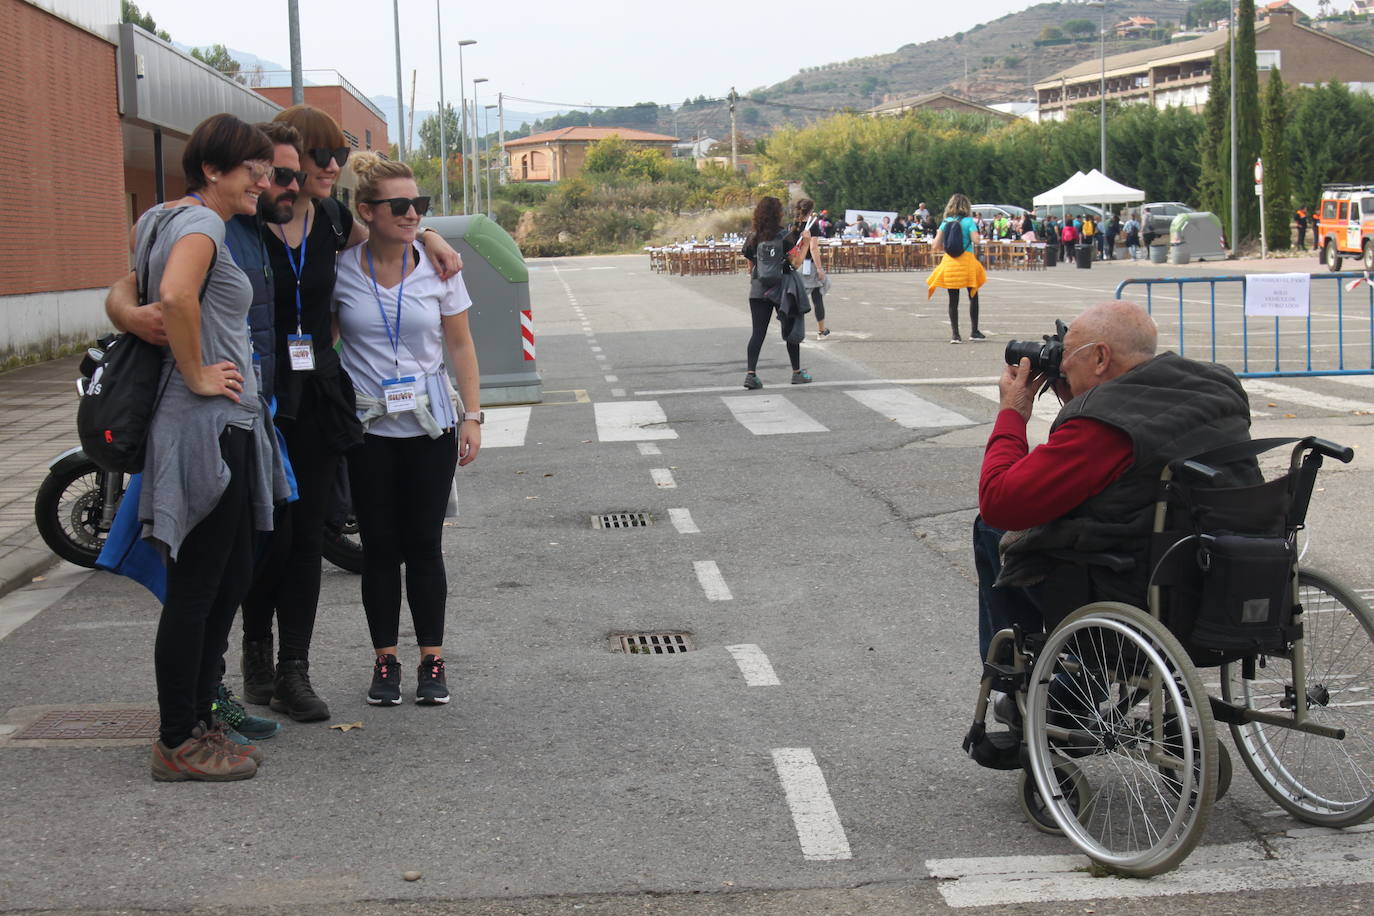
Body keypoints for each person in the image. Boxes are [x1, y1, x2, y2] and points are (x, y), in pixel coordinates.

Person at [238, 105, 461, 723]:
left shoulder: (334, 219)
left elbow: (397, 234)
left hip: (316, 399)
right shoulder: (250, 218)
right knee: (265, 535)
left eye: (338, 155)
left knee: (308, 537)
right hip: (256, 394)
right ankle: (256, 654)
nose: (332, 166)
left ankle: (294, 670)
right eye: (319, 157)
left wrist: (434, 235)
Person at [116, 114, 290, 780]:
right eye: (253, 169)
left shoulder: (158, 218)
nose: (263, 180)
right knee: (199, 587)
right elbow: (174, 295)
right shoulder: (203, 225)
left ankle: (196, 717)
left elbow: (128, 291)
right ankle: (175, 740)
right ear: (214, 170)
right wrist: (195, 372)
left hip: (219, 424)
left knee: (229, 574)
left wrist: (129, 314)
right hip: (206, 426)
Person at [973, 300, 1253, 662]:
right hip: (1223, 582)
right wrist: (1080, 398)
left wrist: (1012, 414)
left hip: (1133, 595)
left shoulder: (1100, 426)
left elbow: (1000, 502)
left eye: (1069, 353)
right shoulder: (1215, 386)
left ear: (1101, 357)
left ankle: (1026, 678)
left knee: (991, 529)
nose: (1062, 363)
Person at [331, 152, 481, 706]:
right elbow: (326, 347)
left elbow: (461, 345)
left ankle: (432, 660)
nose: (413, 213)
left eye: (420, 205)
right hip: (368, 431)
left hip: (431, 428)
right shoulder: (343, 268)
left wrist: (472, 416)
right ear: (367, 211)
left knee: (425, 546)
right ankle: (385, 661)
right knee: (379, 549)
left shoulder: (439, 268)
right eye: (401, 205)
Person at [741, 196, 811, 388]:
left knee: (758, 333)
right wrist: (805, 243)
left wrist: (757, 276)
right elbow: (795, 264)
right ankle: (797, 372)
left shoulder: (753, 236)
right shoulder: (785, 236)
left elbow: (750, 262)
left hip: (758, 290)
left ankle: (751, 374)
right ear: (778, 213)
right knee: (790, 330)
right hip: (782, 289)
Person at [927, 193, 987, 344]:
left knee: (953, 300)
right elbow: (976, 240)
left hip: (950, 263)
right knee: (973, 296)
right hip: (967, 262)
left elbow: (935, 245)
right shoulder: (969, 221)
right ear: (966, 206)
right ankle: (974, 331)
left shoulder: (945, 222)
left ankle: (955, 335)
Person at [793, 198, 830, 338]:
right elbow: (814, 248)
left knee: (796, 297)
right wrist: (820, 268)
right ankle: (821, 330)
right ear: (810, 210)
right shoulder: (812, 226)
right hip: (809, 263)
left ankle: (792, 326)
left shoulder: (793, 225)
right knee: (817, 298)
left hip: (796, 264)